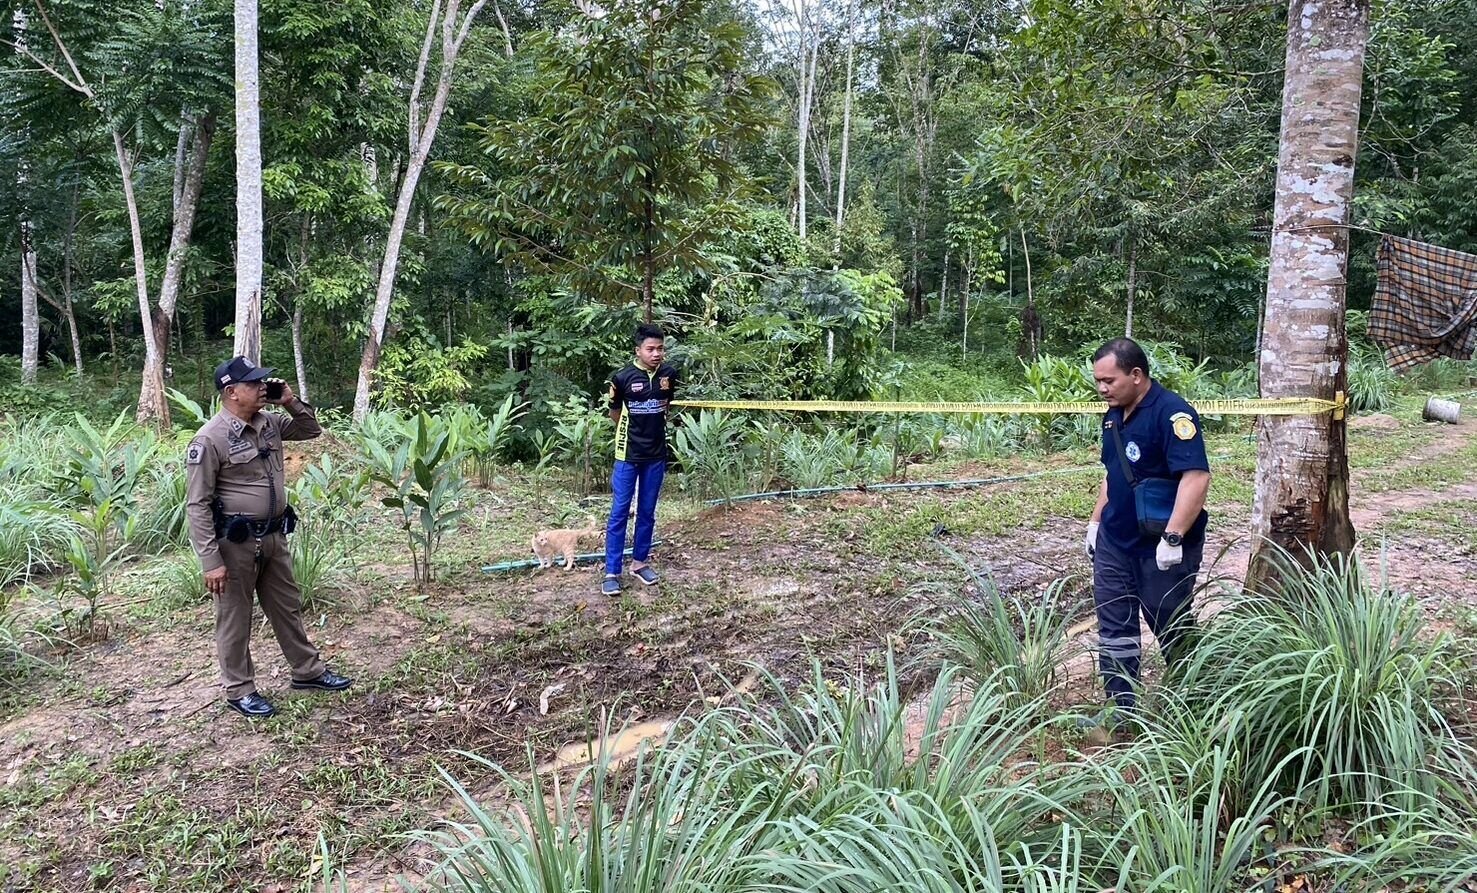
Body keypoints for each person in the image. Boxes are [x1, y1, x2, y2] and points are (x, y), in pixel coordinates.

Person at [185, 356, 352, 718]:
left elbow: (311, 430)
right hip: (235, 544)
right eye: (253, 383)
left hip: (274, 536)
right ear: (232, 392)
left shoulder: (269, 423)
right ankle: (240, 690)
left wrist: (289, 401)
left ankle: (307, 671)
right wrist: (211, 561)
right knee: (234, 618)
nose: (262, 387)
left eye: (263, 382)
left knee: (286, 607)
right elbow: (197, 504)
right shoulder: (210, 438)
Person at [1084, 338, 1210, 727]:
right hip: (1116, 541)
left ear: (1136, 375)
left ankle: (1199, 701)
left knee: (1169, 621)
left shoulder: (1172, 414)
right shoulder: (1113, 416)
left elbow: (1196, 477)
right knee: (1114, 626)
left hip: (1161, 546)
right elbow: (1114, 474)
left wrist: (1173, 537)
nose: (1102, 388)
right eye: (1098, 381)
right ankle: (1120, 713)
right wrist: (1095, 522)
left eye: (1109, 380)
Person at [601, 324, 679, 597]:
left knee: (647, 511)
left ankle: (639, 563)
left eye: (660, 348)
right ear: (638, 350)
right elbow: (614, 413)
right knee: (620, 511)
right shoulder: (622, 378)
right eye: (650, 349)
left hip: (656, 455)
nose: (656, 353)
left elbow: (666, 407)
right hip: (628, 455)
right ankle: (611, 572)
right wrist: (633, 433)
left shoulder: (669, 375)